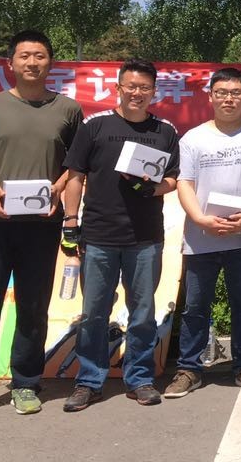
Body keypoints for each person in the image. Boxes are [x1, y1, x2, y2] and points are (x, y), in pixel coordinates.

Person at [0, 30, 84, 420]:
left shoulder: (68, 109)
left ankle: (26, 383)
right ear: (10, 63)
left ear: (50, 63)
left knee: (33, 306)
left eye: (39, 56)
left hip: (41, 225)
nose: (32, 62)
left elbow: (78, 162)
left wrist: (57, 188)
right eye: (24, 55)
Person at [61, 60, 180, 411]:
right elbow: (75, 176)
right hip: (99, 235)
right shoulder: (95, 125)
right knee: (94, 312)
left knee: (142, 312)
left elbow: (173, 179)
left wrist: (152, 188)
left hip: (145, 237)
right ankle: (89, 381)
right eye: (130, 86)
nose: (136, 93)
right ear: (118, 88)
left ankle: (140, 379)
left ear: (154, 92)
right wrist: (70, 220)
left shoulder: (165, 130)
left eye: (144, 87)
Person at [164, 67, 241, 398]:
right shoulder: (193, 138)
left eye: (236, 93)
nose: (229, 98)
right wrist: (200, 219)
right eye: (222, 92)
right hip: (201, 238)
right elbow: (184, 183)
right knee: (195, 307)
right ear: (211, 97)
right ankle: (189, 369)